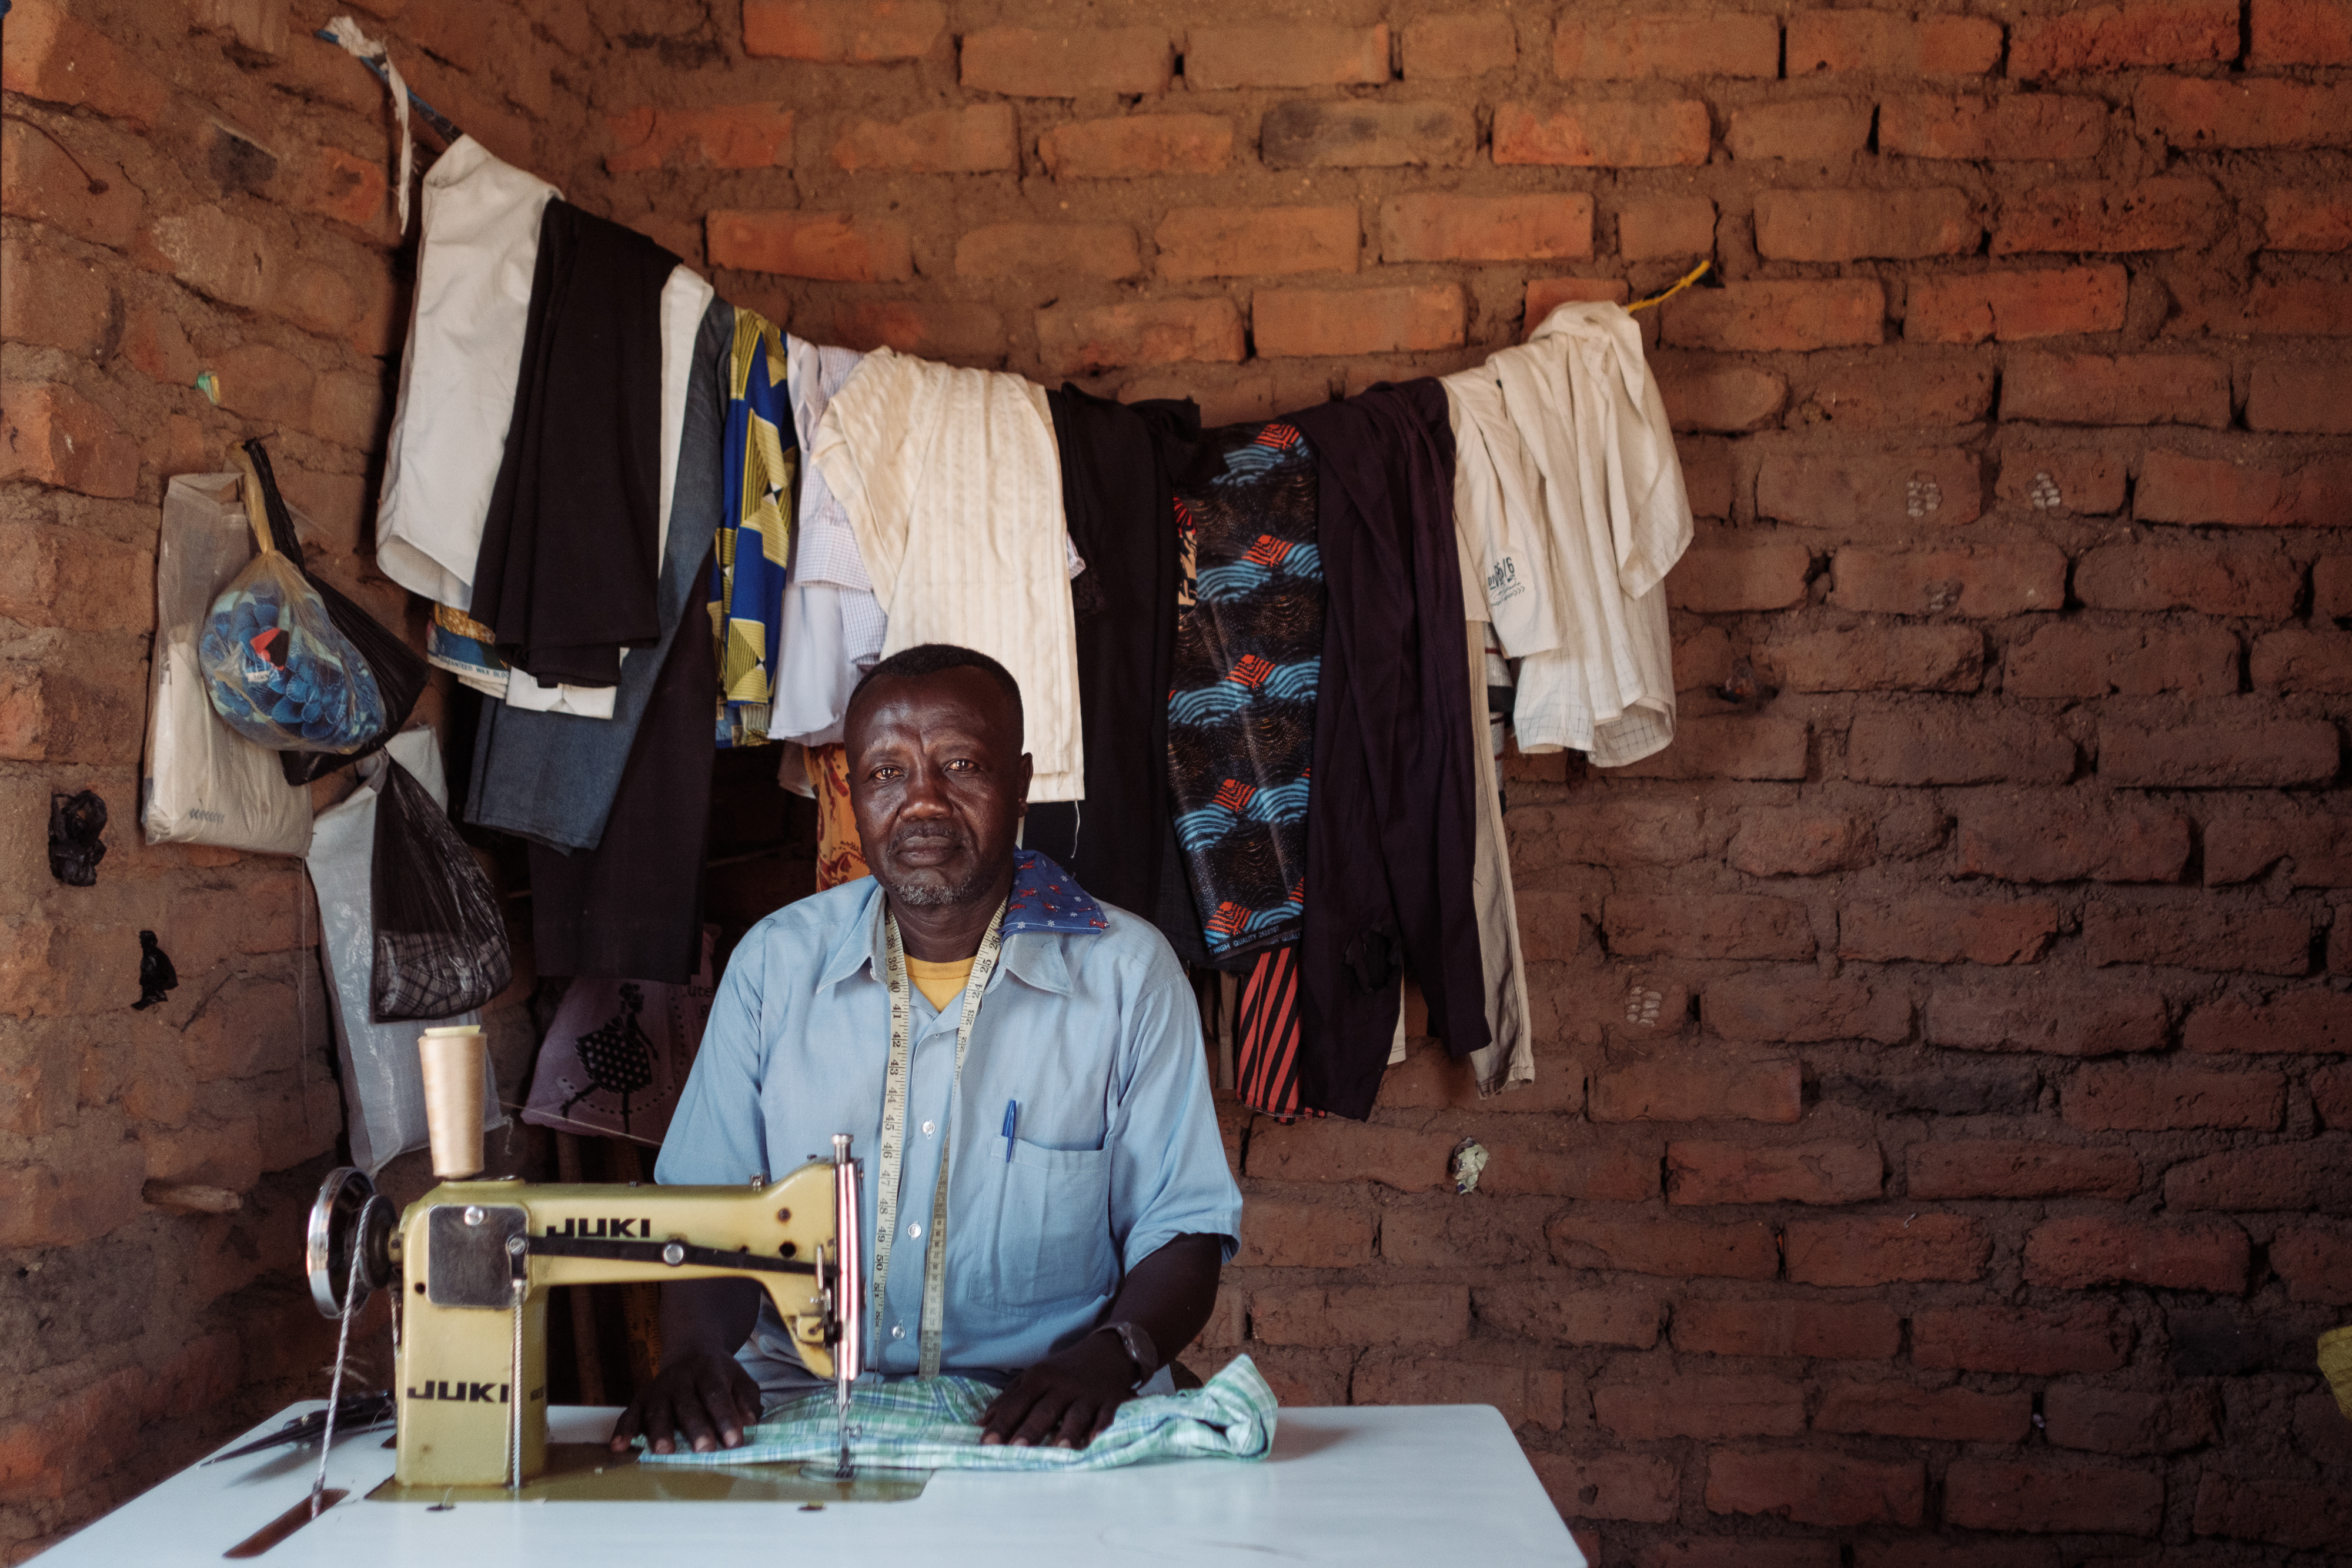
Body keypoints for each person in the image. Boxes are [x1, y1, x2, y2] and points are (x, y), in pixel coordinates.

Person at [614, 643, 1241, 1454]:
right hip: (804, 1400)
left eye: (960, 765)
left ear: (1021, 783)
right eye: (886, 774)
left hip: (1037, 1415)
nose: (923, 804)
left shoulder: (1126, 976)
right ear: (852, 789)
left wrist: (1109, 1358)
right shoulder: (776, 967)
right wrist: (698, 1355)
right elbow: (710, 1208)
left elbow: (1182, 1227)